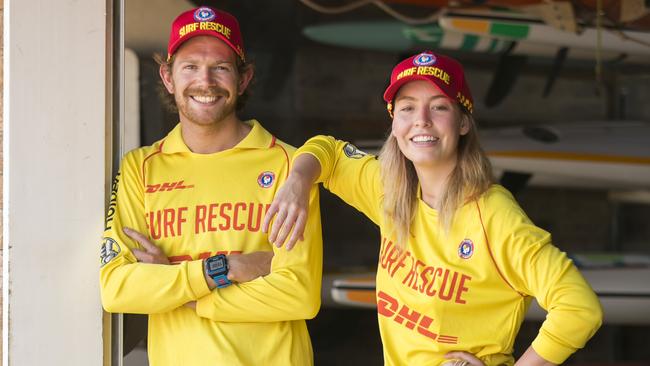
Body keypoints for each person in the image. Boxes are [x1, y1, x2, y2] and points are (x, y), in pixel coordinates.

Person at [263, 51, 603, 365]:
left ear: (463, 122)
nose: (421, 120)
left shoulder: (494, 214)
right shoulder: (388, 190)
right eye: (408, 107)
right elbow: (329, 151)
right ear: (395, 124)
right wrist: (298, 181)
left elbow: (579, 308)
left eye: (439, 106)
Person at [99, 6, 323, 366]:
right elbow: (117, 289)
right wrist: (223, 269)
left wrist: (175, 284)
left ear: (243, 78)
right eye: (190, 67)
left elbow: (298, 295)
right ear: (168, 77)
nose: (206, 82)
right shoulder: (139, 168)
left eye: (220, 67)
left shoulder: (290, 166)